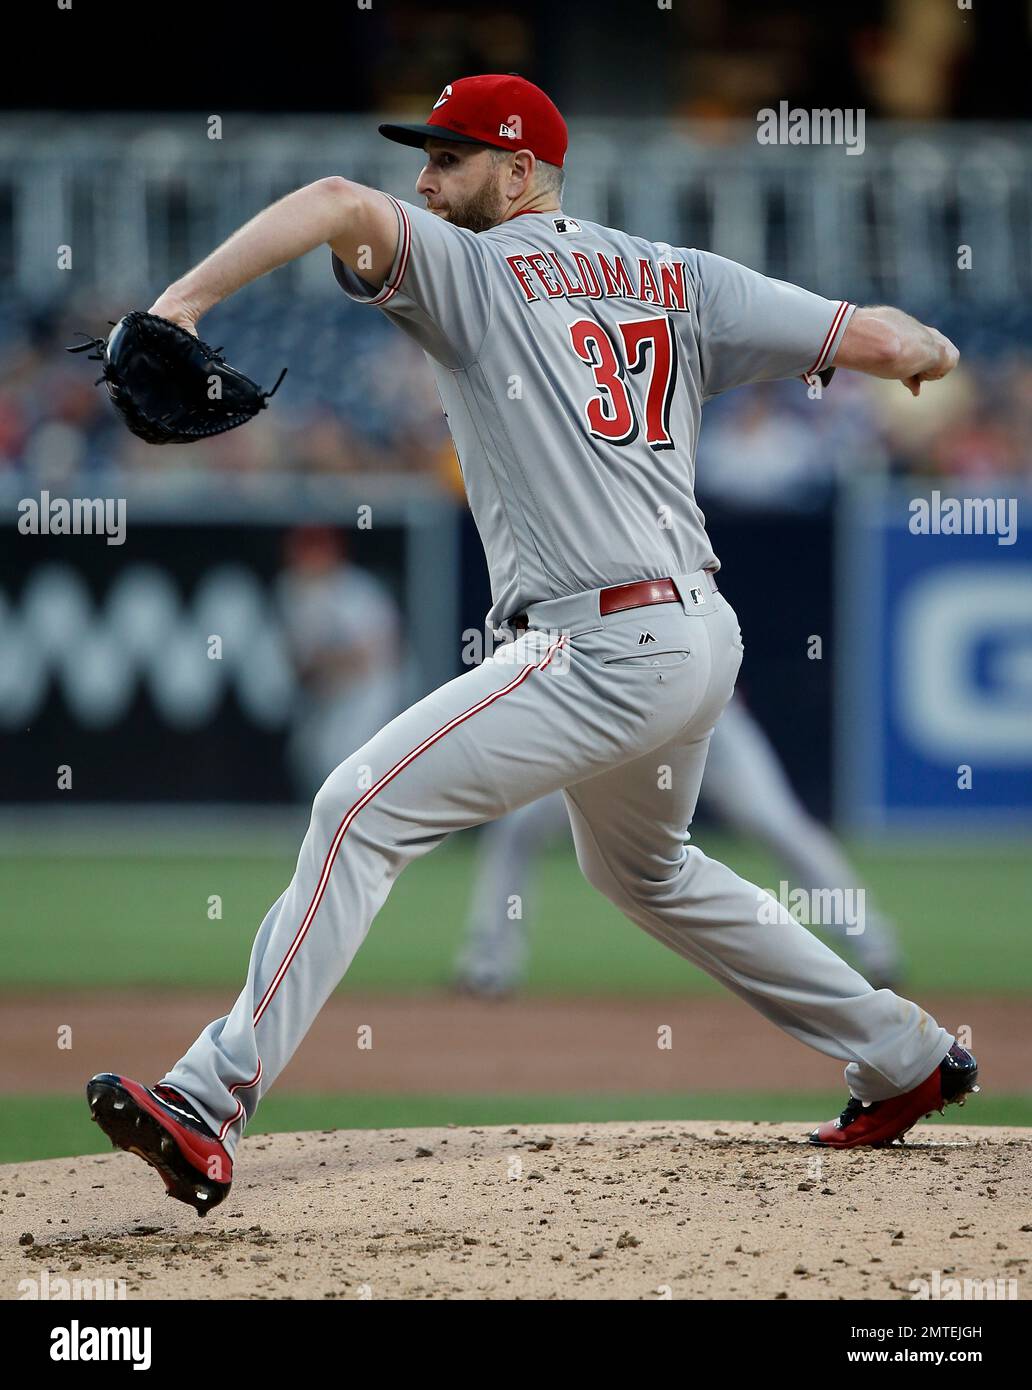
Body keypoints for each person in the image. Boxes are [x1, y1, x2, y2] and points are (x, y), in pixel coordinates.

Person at [86, 74, 976, 1216]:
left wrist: (183, 305)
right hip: (701, 634)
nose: (425, 178)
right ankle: (902, 1052)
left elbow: (327, 198)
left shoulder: (474, 267)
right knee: (642, 868)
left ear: (519, 173)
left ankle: (206, 1100)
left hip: (597, 641)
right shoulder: (680, 275)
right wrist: (930, 355)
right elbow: (884, 336)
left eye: (449, 158)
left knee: (356, 808)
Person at [453, 691, 904, 997]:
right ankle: (489, 964)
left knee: (775, 822)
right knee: (517, 830)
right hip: (610, 723)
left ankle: (873, 944)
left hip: (702, 720)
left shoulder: (667, 563)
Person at [278, 525, 404, 800]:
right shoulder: (293, 590)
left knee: (349, 763)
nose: (307, 559)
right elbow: (299, 661)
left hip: (372, 691)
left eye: (315, 550)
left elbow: (375, 653)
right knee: (310, 756)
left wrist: (326, 660)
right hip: (331, 698)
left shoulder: (356, 591)